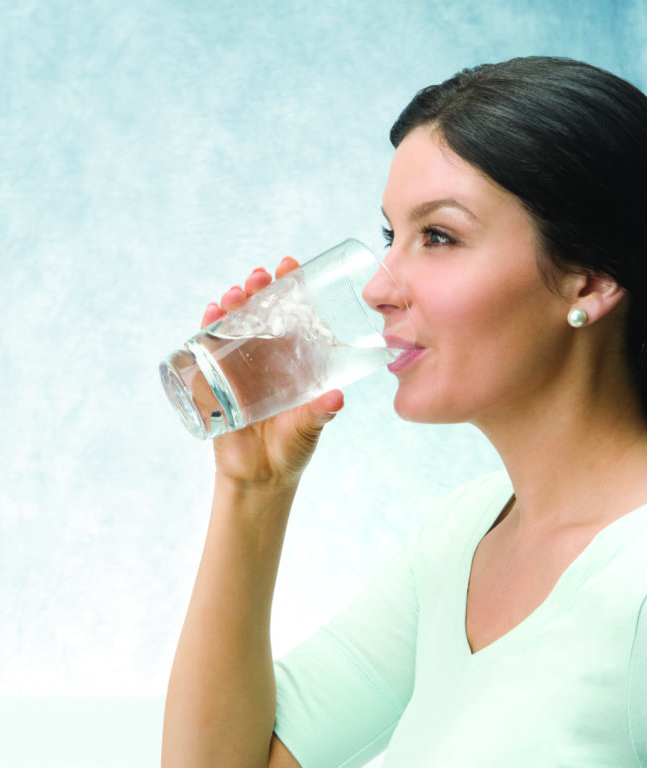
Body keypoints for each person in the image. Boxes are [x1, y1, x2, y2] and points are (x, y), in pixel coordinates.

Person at [161, 56, 647, 767]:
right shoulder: (460, 539)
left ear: (592, 279)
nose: (378, 290)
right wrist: (252, 490)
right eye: (393, 237)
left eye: (439, 237)